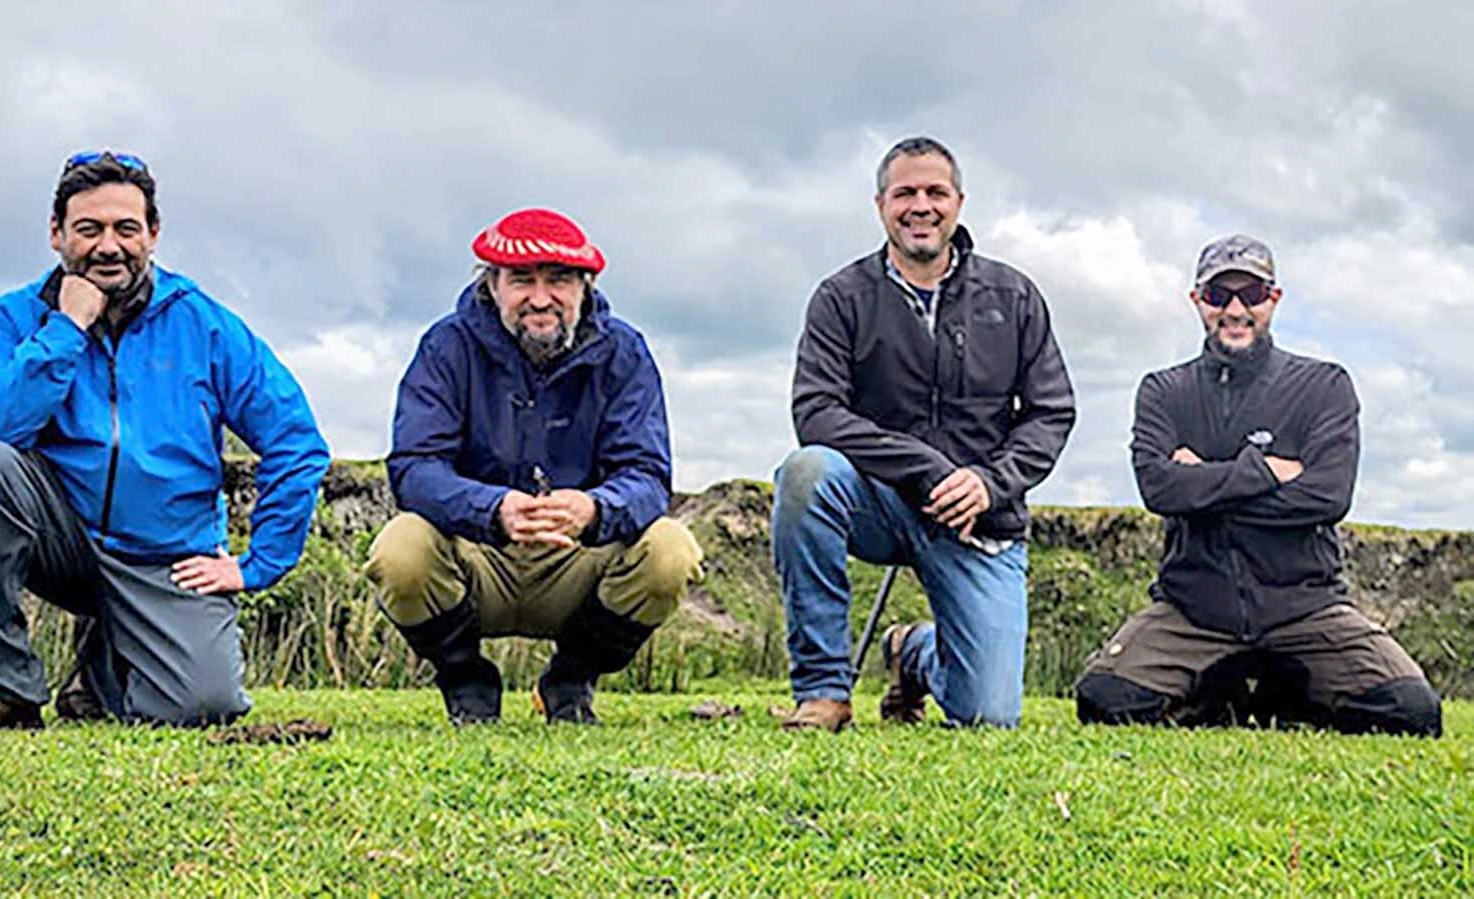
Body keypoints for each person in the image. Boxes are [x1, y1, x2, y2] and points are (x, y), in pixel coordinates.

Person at [0, 151, 330, 732]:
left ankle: (102, 670)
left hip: (166, 557)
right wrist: (66, 328)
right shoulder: (10, 317)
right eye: (89, 229)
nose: (108, 245)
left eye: (126, 229)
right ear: (56, 234)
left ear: (152, 235)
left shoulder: (206, 324)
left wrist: (259, 562)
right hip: (61, 539)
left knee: (202, 708)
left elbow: (296, 440)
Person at [1074, 234, 1441, 736]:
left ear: (1275, 299)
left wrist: (1201, 480)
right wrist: (1263, 470)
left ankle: (1283, 692)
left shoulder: (1324, 385)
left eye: (1252, 293)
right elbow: (1159, 490)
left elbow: (1327, 496)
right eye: (1219, 294)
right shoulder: (1163, 390)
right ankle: (1218, 690)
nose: (1235, 308)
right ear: (1197, 301)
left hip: (1307, 609)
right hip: (1193, 612)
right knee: (1104, 699)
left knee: (1411, 710)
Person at [772, 137, 1076, 731]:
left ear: (959, 202)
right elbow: (816, 412)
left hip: (980, 520)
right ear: (880, 204)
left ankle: (913, 651)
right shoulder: (841, 298)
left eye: (935, 192)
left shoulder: (1014, 297)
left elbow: (1051, 412)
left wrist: (990, 484)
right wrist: (927, 470)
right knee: (806, 472)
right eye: (904, 193)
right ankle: (823, 692)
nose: (921, 206)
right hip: (878, 500)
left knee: (987, 716)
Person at [365, 209, 702, 725]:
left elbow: (647, 476)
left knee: (671, 552)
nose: (541, 298)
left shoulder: (624, 351)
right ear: (492, 284)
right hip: (478, 555)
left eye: (559, 280)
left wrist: (595, 508)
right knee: (399, 549)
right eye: (522, 279)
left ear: (584, 287)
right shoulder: (446, 345)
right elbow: (414, 467)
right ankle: (465, 680)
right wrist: (492, 508)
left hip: (578, 558)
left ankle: (570, 680)